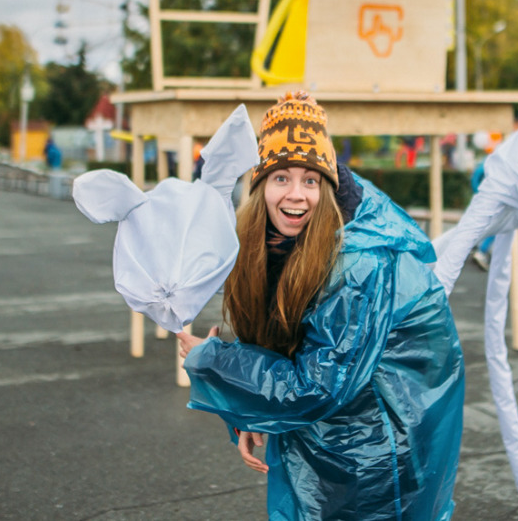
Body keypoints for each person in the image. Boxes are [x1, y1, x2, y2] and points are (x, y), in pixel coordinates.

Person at [177, 92, 465, 520]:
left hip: (381, 447)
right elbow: (279, 349)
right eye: (282, 178)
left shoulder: (358, 263)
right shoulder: (271, 246)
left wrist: (213, 363)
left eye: (311, 180)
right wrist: (245, 412)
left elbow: (316, 386)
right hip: (334, 433)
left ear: (327, 188)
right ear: (259, 187)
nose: (297, 195)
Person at [470, 157, 494, 270]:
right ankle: (481, 251)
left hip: (483, 197)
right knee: (494, 227)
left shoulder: (485, 161)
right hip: (488, 199)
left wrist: (477, 193)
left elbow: (474, 179)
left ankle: (478, 248)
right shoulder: (490, 163)